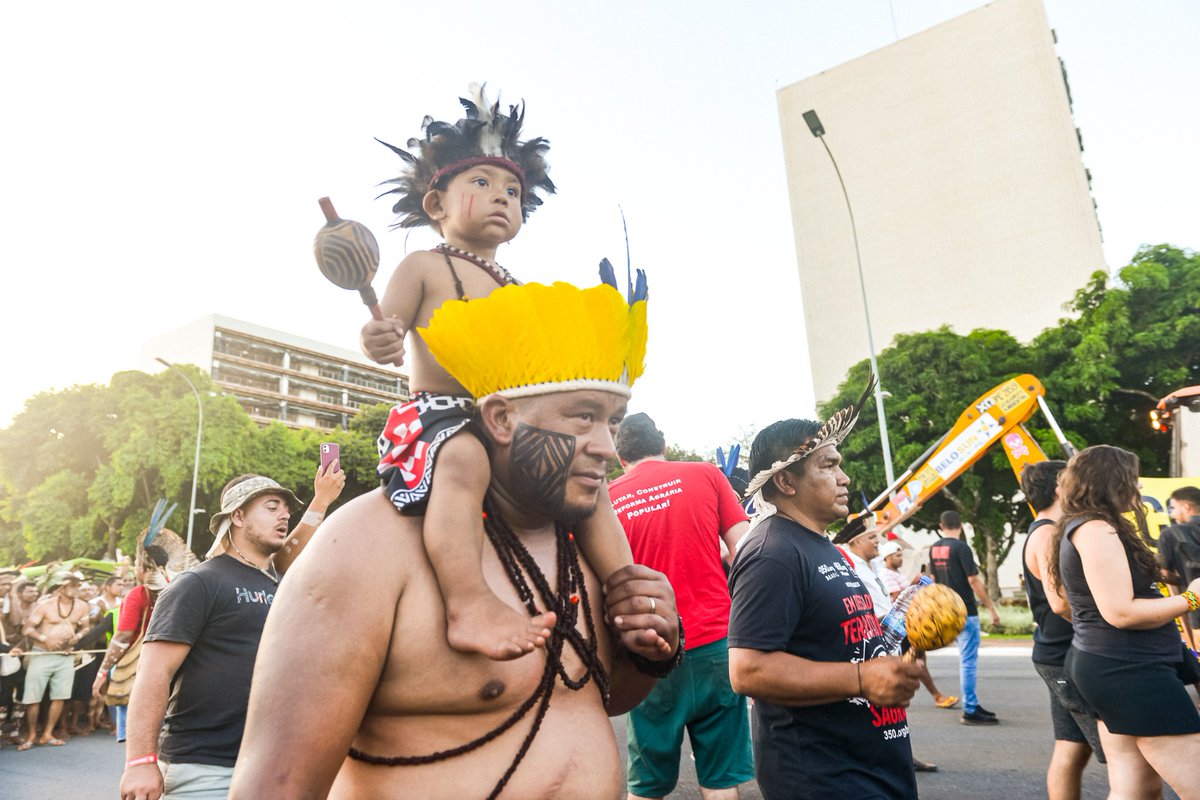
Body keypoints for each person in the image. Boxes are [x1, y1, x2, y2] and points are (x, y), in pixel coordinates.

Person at [231, 279, 681, 800]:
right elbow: (276, 787)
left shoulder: (589, 547)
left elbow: (595, 698)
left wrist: (653, 648)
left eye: (614, 421)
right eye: (584, 417)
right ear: (500, 418)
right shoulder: (367, 544)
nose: (606, 447)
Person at [359, 84, 635, 661]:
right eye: (481, 184)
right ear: (435, 205)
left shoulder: (516, 285)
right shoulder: (421, 266)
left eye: (513, 189)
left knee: (583, 469)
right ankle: (467, 602)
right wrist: (379, 335)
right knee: (464, 458)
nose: (501, 197)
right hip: (441, 419)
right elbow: (385, 330)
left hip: (511, 418)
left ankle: (624, 583)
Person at [728, 390, 923, 800]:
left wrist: (906, 631)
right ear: (785, 481)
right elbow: (747, 669)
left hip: (868, 764)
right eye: (828, 465)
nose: (844, 477)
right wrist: (861, 679)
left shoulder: (818, 544)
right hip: (822, 776)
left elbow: (838, 643)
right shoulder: (773, 553)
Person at [119, 463, 345, 800]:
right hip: (205, 772)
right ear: (237, 517)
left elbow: (293, 549)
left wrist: (321, 501)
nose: (283, 516)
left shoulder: (280, 582)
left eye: (286, 509)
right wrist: (139, 761)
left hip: (269, 768)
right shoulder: (199, 583)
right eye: (272, 507)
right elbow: (153, 673)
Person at [609, 413, 753, 800]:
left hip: (649, 652)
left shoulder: (607, 498)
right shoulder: (706, 474)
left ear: (620, 458)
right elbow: (747, 550)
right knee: (722, 779)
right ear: (664, 444)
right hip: (717, 644)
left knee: (646, 784)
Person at [1047, 445, 1200, 799]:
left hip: (1112, 665)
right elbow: (1120, 612)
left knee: (1137, 789)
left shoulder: (1087, 526)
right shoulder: (1096, 529)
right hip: (1128, 670)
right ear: (1112, 482)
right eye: (1133, 478)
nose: (1139, 488)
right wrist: (1191, 598)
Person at [1020, 459, 1105, 800]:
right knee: (1123, 754)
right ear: (1059, 488)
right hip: (1063, 654)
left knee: (1072, 748)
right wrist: (1106, 624)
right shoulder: (1047, 534)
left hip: (1057, 653)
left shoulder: (1048, 529)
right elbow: (1059, 603)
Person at [930, 509, 1002, 724]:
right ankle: (970, 709)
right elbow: (974, 581)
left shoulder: (935, 549)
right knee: (968, 661)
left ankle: (972, 704)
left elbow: (934, 579)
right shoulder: (962, 548)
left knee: (965, 659)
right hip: (966, 611)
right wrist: (991, 608)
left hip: (947, 610)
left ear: (941, 527)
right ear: (960, 526)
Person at [18, 569, 88, 749]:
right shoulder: (46, 605)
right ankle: (32, 734)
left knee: (60, 696)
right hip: (41, 654)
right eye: (71, 585)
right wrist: (45, 639)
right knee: (33, 697)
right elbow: (27, 629)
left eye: (77, 585)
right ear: (61, 587)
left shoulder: (81, 606)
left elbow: (85, 628)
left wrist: (76, 639)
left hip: (65, 656)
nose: (75, 588)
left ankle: (47, 733)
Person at [1157, 485, 1200, 641]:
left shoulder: (1170, 534)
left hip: (1197, 604)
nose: (1172, 514)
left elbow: (1164, 574)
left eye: (1173, 508)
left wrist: (1185, 581)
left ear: (1186, 507)